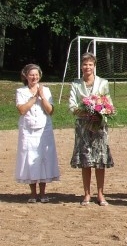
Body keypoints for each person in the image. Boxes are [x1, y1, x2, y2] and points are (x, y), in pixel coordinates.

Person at [68, 52, 114, 206]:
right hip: (83, 126)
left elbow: (108, 103)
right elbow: (72, 106)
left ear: (94, 66)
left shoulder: (103, 82)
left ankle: (100, 194)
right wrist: (86, 111)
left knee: (100, 160)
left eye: (90, 64)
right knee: (86, 161)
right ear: (81, 66)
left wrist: (103, 111)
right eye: (84, 64)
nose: (87, 67)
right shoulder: (75, 84)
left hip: (99, 125)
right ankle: (87, 194)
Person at [15, 64, 60, 203]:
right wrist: (34, 98)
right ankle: (33, 193)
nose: (34, 77)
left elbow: (50, 111)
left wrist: (42, 97)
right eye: (31, 75)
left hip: (43, 130)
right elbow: (22, 110)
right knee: (29, 158)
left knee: (43, 158)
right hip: (27, 130)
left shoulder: (46, 90)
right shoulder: (21, 91)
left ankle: (43, 192)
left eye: (36, 74)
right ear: (26, 76)